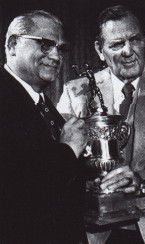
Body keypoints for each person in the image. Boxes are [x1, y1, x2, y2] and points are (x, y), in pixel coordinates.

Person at [57, 5, 145, 244]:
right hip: (95, 233)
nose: (128, 51)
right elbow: (60, 162)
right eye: (116, 44)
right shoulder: (75, 91)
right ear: (99, 49)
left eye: (134, 40)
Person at [0, 10, 88, 244]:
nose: (56, 56)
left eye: (61, 49)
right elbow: (16, 187)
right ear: (12, 45)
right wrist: (69, 149)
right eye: (45, 45)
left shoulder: (41, 102)